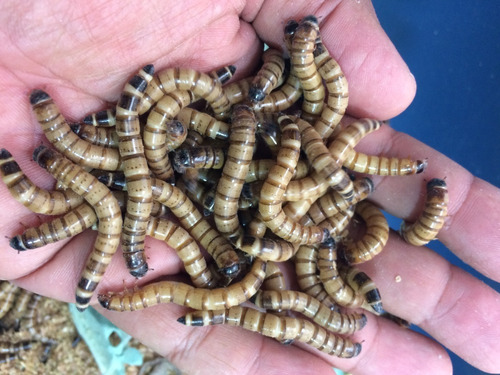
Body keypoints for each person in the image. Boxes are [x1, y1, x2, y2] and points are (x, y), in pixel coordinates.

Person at [0, 1, 499, 374]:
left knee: (166, 192)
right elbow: (183, 185)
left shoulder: (281, 198)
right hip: (221, 183)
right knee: (155, 190)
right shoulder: (246, 164)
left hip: (235, 192)